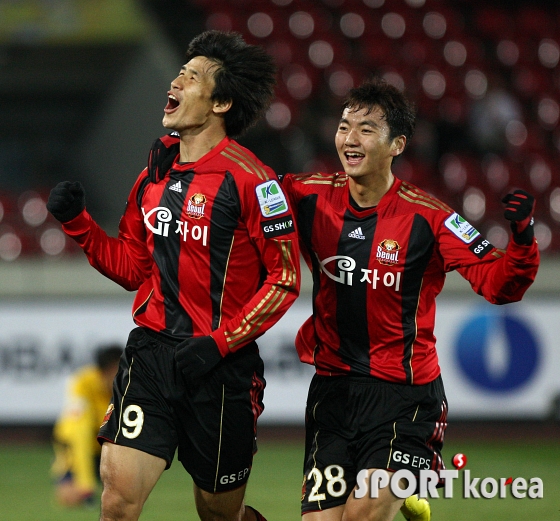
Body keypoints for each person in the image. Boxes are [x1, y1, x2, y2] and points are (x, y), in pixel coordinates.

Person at [46, 30, 300, 521]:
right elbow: (132, 269)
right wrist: (78, 223)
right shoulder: (153, 176)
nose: (178, 79)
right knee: (117, 502)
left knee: (219, 516)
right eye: (180, 71)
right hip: (151, 354)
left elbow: (285, 279)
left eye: (194, 75)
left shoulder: (253, 180)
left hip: (221, 366)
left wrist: (222, 342)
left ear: (221, 101)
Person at [280, 77, 539, 521]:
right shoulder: (306, 194)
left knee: (360, 516)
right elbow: (245, 193)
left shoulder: (430, 217)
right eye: (344, 127)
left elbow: (498, 284)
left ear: (397, 144)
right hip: (333, 391)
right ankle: (410, 499)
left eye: (366, 129)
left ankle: (405, 487)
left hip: (405, 399)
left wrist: (521, 241)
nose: (350, 139)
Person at [51, 344, 123, 508]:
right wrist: (86, 487)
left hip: (107, 449)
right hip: (75, 450)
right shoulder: (83, 384)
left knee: (122, 497)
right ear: (107, 370)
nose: (122, 376)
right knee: (69, 499)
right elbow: (80, 436)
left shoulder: (127, 385)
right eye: (118, 371)